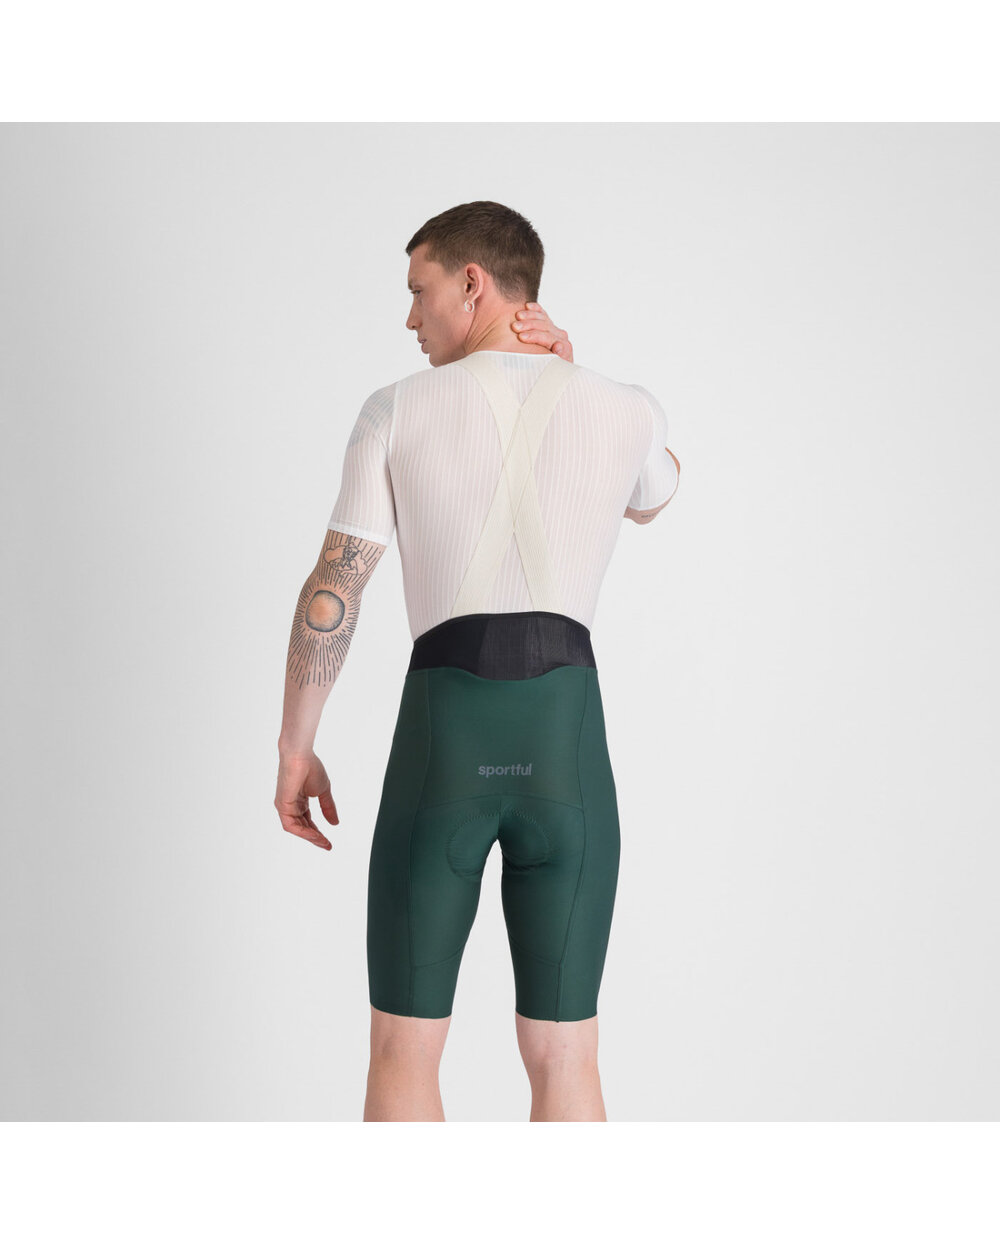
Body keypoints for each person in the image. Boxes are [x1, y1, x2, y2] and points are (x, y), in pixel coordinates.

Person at [275, 200, 680, 1122]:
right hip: (568, 753)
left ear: (472, 283)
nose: (408, 317)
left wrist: (297, 746)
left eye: (418, 292)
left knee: (403, 1045)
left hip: (444, 748)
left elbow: (334, 589)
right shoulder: (625, 408)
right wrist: (572, 368)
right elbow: (656, 494)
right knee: (567, 1054)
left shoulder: (396, 408)